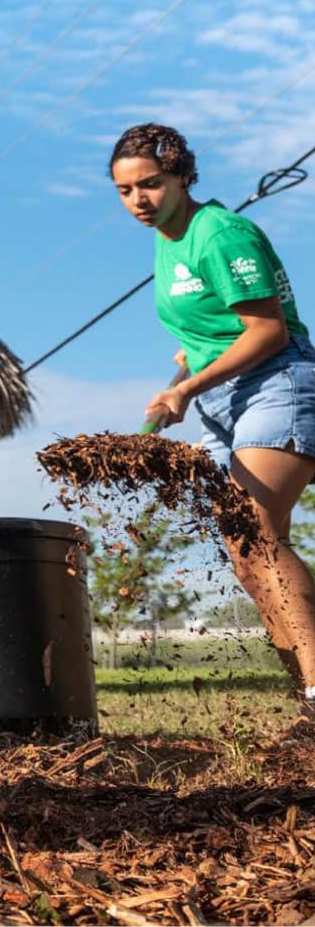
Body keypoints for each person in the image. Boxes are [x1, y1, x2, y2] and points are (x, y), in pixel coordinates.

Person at [110, 122, 315, 724]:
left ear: (182, 177)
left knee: (261, 531)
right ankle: (306, 702)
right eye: (125, 191)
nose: (139, 200)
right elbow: (207, 329)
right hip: (223, 398)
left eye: (151, 184)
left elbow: (268, 331)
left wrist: (186, 390)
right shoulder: (167, 239)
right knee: (244, 550)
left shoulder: (220, 233)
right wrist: (186, 367)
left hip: (276, 381)